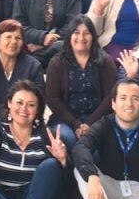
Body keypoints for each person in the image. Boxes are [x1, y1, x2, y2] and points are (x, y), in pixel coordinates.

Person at [45, 15, 117, 148]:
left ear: (93, 37)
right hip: (65, 120)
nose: (81, 38)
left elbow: (110, 97)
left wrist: (89, 125)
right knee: (67, 138)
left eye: (86, 33)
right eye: (76, 33)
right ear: (69, 36)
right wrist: (75, 124)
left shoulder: (106, 62)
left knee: (96, 141)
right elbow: (52, 98)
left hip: (99, 120)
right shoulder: (57, 62)